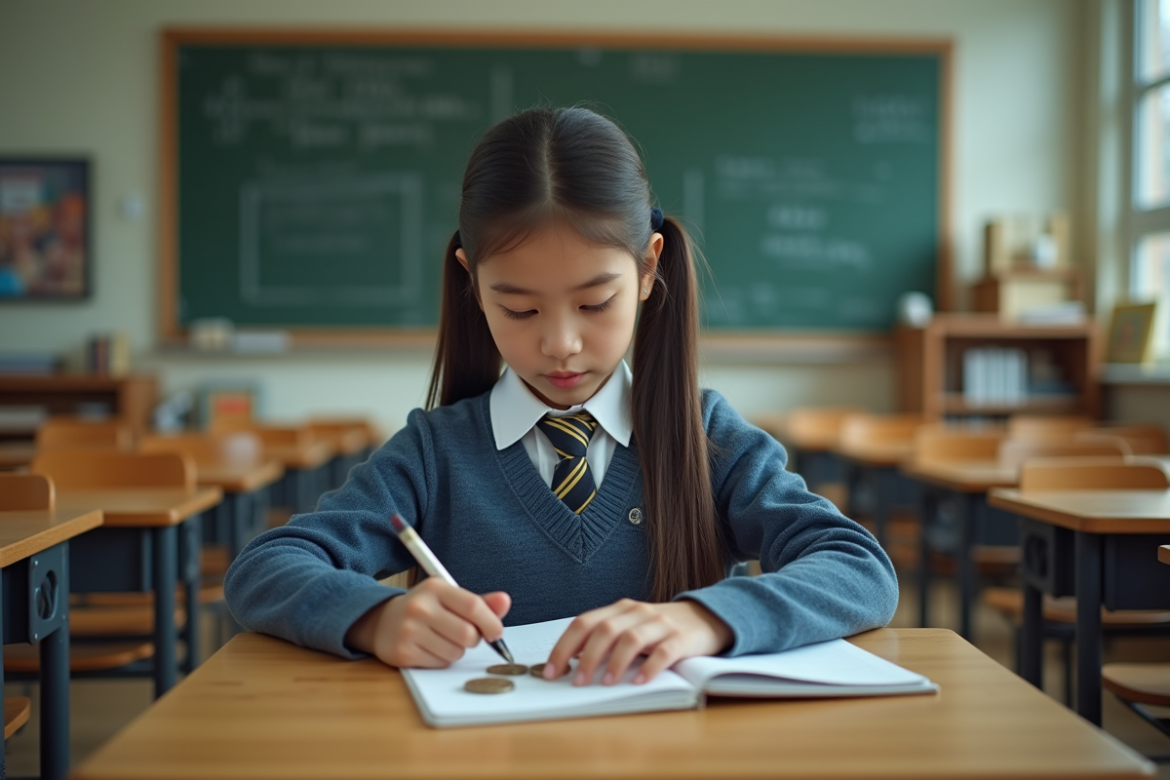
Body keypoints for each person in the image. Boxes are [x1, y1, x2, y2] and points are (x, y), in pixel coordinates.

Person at [224, 106, 898, 687]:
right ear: (471, 281)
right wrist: (373, 617)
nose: (561, 344)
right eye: (518, 309)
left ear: (648, 269)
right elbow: (265, 567)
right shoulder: (434, 454)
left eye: (594, 302)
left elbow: (859, 568)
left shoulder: (708, 438)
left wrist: (705, 619)